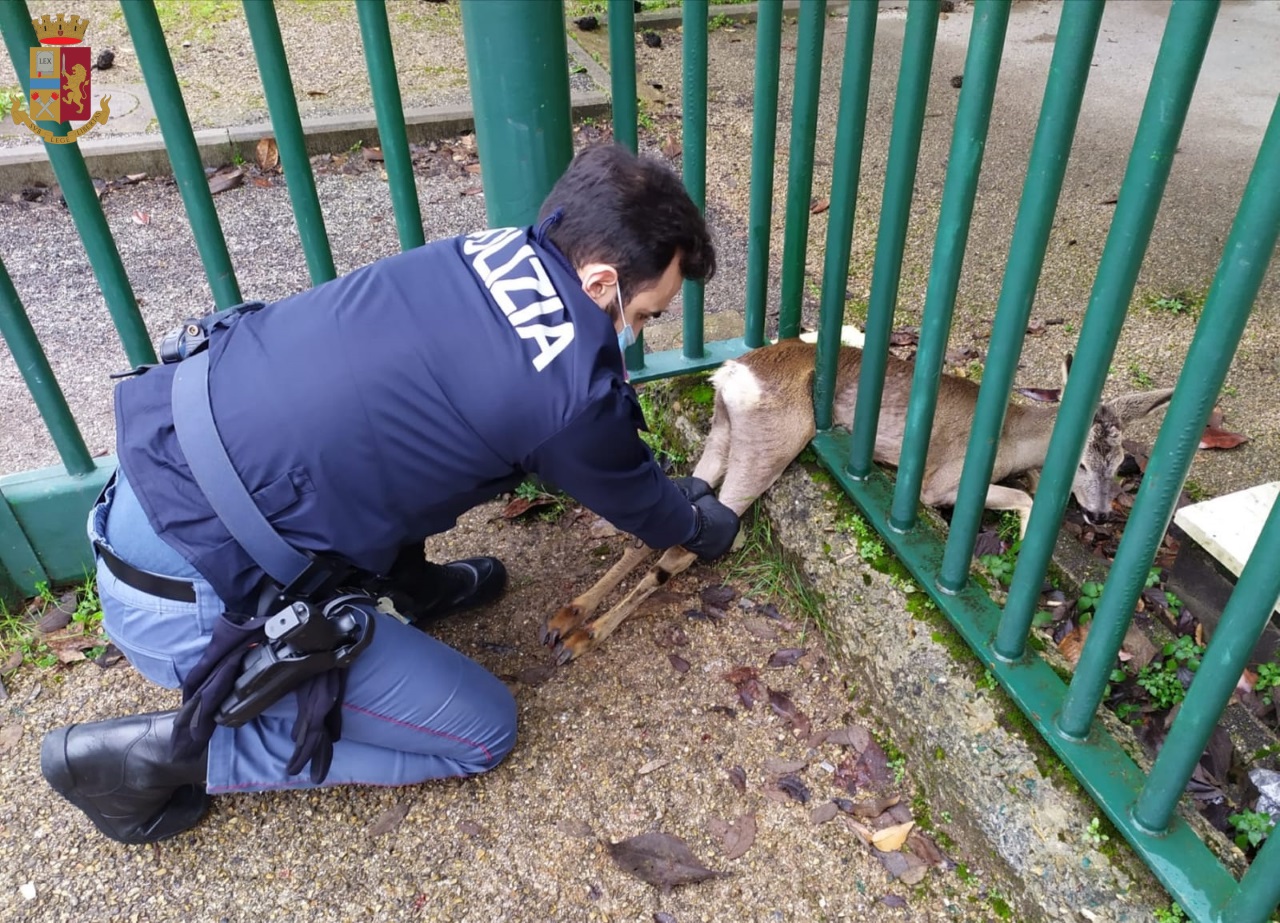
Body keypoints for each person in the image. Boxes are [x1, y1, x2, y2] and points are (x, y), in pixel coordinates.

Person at [40, 142, 742, 845]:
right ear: (598, 282)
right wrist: (698, 522)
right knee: (484, 732)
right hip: (194, 596)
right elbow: (643, 503)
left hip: (149, 484)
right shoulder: (567, 390)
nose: (638, 329)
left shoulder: (490, 251)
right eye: (645, 313)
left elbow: (397, 440)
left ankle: (416, 590)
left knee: (401, 431)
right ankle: (166, 756)